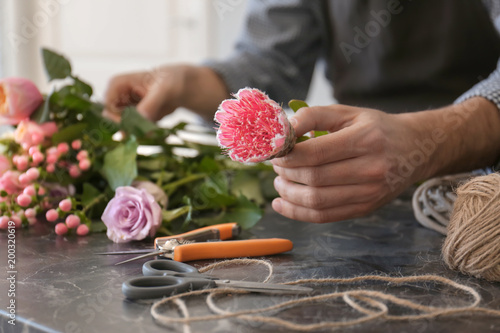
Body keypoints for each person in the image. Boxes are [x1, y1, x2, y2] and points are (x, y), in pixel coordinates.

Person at [104, 0, 500, 224]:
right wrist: (190, 84)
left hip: (483, 194)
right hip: (355, 197)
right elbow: (273, 64)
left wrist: (431, 140)